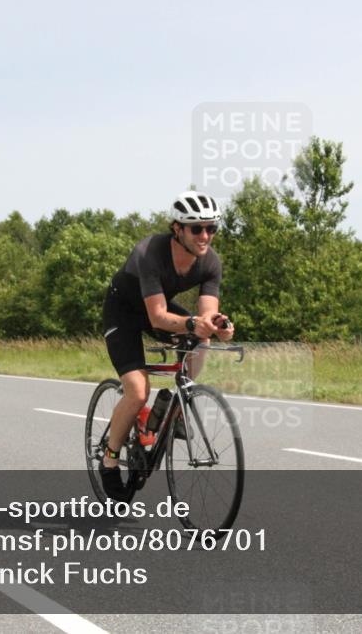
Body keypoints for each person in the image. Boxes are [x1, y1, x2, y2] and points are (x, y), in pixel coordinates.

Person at [99, 190, 235, 500]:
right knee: (136, 391)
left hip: (157, 308)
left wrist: (218, 327)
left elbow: (206, 314)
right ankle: (109, 460)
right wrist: (192, 324)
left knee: (201, 339)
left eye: (211, 228)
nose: (205, 236)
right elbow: (158, 317)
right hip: (124, 312)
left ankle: (172, 409)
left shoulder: (210, 262)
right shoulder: (151, 252)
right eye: (196, 228)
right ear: (177, 229)